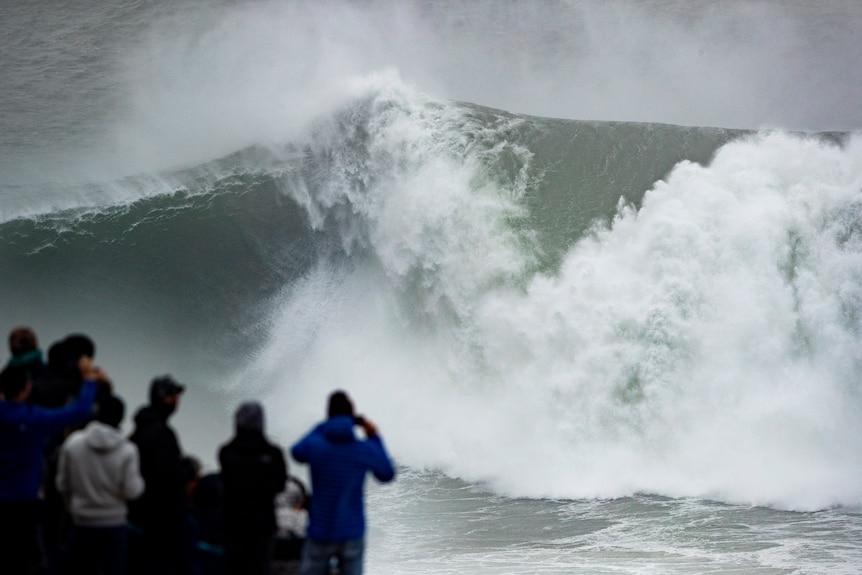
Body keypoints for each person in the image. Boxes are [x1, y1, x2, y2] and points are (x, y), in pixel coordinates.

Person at [0, 358, 100, 574]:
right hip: (23, 501)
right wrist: (89, 379)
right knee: (21, 557)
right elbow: (78, 411)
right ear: (26, 387)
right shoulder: (34, 418)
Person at [291, 391, 395, 575]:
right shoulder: (363, 449)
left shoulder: (316, 446)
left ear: (329, 415)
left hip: (321, 530)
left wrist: (324, 425)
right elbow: (386, 474)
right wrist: (373, 436)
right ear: (352, 416)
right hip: (351, 531)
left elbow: (297, 452)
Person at [56, 393, 145, 575]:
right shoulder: (128, 451)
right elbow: (133, 491)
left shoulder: (73, 443)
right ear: (121, 418)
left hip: (81, 523)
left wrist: (74, 502)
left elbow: (62, 484)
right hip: (114, 525)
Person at [128, 375, 189, 575]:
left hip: (142, 511)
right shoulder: (161, 432)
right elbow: (171, 476)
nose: (177, 401)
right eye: (174, 395)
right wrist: (188, 470)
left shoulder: (141, 427)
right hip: (161, 516)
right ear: (164, 398)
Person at [218, 401, 288, 575]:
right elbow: (280, 485)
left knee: (234, 569)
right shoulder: (273, 453)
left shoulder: (226, 452)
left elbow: (226, 482)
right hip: (263, 524)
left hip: (234, 523)